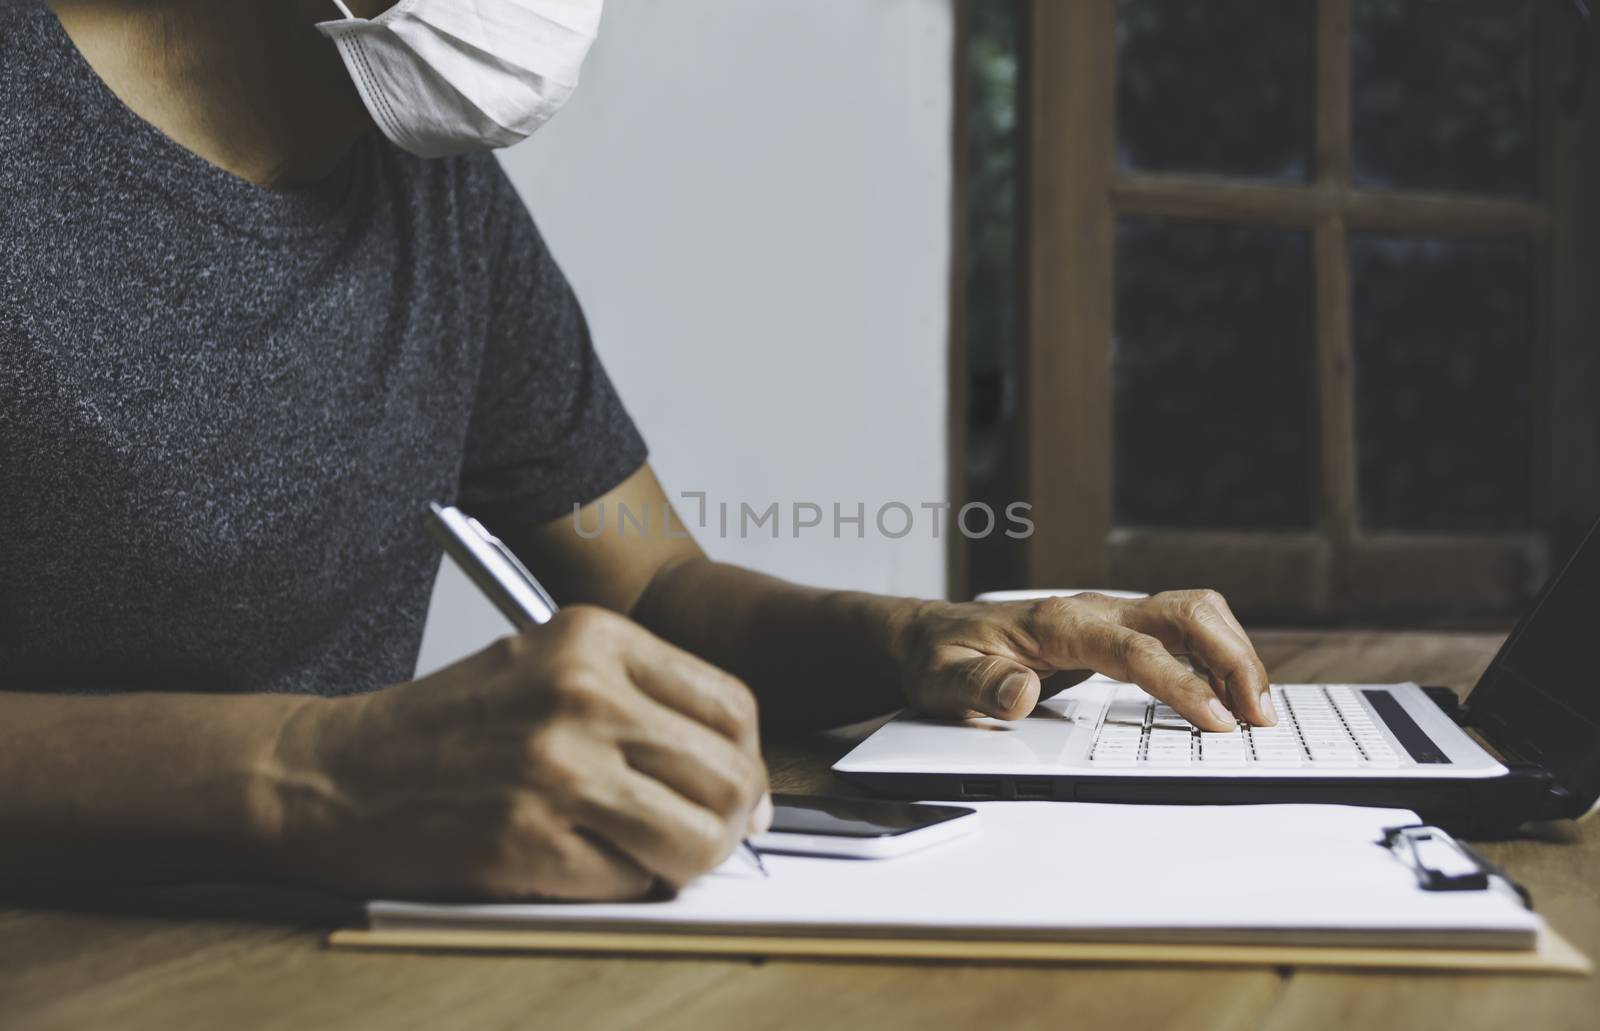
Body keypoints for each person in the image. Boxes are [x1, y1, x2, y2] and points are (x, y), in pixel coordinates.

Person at [0, 0, 1276, 901]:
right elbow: (327, 777)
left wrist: (924, 637)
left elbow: (655, 584)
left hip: (323, 965)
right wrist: (313, 772)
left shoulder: (434, 198)